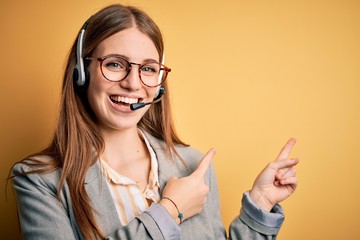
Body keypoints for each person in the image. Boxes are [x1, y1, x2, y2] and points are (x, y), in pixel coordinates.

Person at [11, 4, 299, 240]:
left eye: (148, 69)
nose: (133, 83)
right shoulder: (38, 181)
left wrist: (259, 205)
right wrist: (169, 210)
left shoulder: (192, 165)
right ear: (82, 73)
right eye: (114, 63)